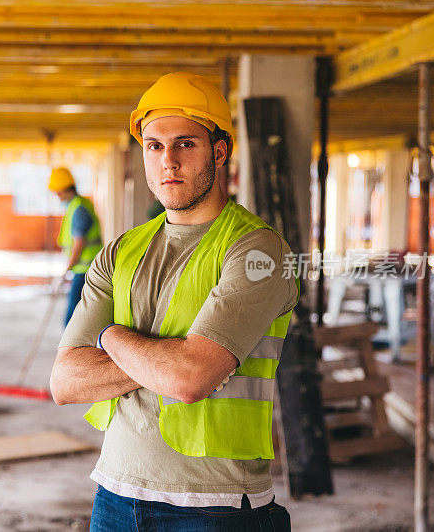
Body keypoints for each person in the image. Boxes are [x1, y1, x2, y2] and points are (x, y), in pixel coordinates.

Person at [50, 72, 298, 531]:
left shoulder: (258, 250)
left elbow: (189, 378)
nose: (169, 162)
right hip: (115, 495)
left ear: (219, 152)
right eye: (154, 145)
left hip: (216, 505)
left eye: (185, 144)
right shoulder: (122, 250)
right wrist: (161, 361)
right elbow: (65, 382)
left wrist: (110, 336)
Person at [47, 167, 103, 326]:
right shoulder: (77, 205)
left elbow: (79, 243)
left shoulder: (79, 209)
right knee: (77, 319)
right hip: (83, 270)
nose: (57, 197)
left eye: (57, 193)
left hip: (85, 272)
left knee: (71, 322)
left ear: (64, 190)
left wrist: (65, 272)